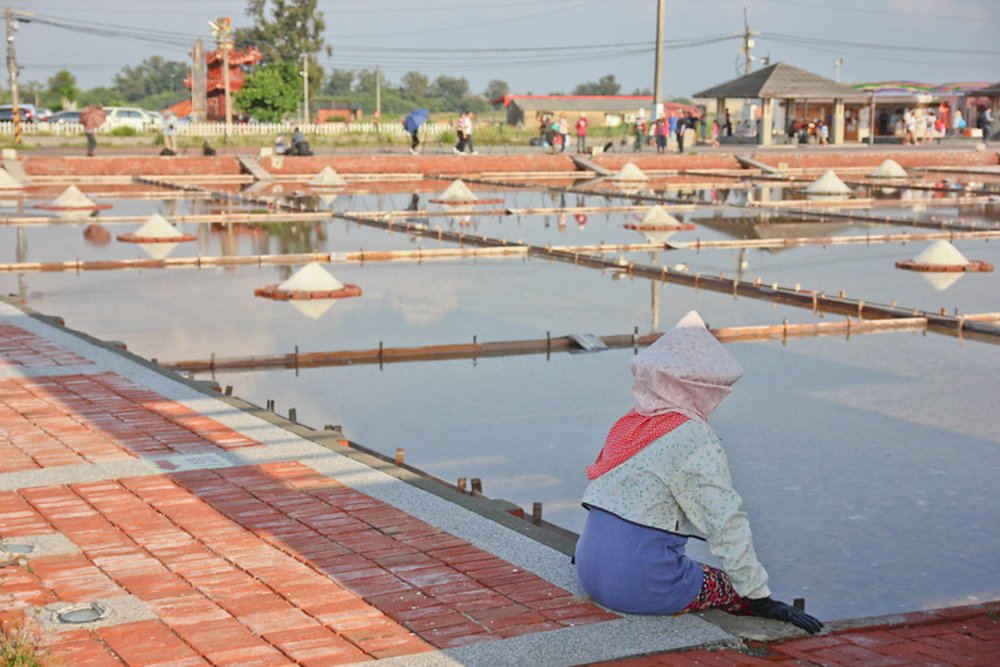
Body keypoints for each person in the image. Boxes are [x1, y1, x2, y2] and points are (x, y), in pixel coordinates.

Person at [575, 311, 824, 635]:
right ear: (702, 388)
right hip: (639, 586)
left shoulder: (630, 425)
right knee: (727, 586)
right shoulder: (694, 438)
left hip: (589, 571)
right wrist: (759, 596)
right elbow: (726, 522)